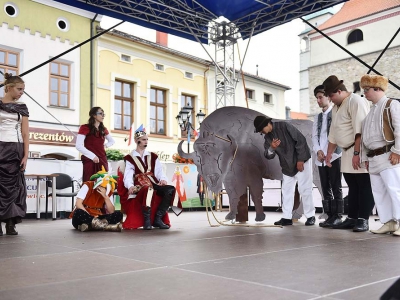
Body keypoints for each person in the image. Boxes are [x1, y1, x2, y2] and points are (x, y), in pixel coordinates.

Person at [323, 75, 375, 232]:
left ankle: (363, 219)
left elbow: (360, 129)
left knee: (364, 185)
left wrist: (357, 153)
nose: (330, 99)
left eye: (331, 96)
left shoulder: (356, 101)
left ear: (339, 91)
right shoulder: (335, 108)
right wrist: (329, 154)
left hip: (358, 149)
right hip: (345, 152)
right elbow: (333, 133)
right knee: (352, 186)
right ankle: (352, 218)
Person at [254, 116, 315, 226]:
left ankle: (310, 216)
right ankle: (286, 217)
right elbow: (268, 155)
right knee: (286, 191)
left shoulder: (285, 126)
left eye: (261, 129)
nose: (262, 132)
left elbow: (301, 140)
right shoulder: (267, 139)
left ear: (267, 124)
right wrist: (272, 148)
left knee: (305, 189)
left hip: (301, 161)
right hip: (287, 166)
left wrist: (300, 160)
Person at [360, 74, 400, 236]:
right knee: (379, 191)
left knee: (395, 189)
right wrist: (364, 157)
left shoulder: (392, 104)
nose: (365, 93)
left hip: (389, 155)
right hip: (374, 157)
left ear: (377, 89)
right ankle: (389, 222)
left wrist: (397, 151)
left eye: (367, 90)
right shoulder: (370, 112)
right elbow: (365, 138)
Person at [119, 127, 182, 230]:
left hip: (154, 182)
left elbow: (159, 171)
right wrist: (130, 186)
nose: (146, 141)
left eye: (147, 139)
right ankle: (147, 221)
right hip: (140, 184)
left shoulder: (153, 156)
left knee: (170, 190)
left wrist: (163, 179)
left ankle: (158, 218)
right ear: (136, 141)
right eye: (143, 139)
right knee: (149, 189)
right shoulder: (129, 158)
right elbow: (128, 175)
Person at [0, 73, 29, 236]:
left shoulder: (22, 107)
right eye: (19, 89)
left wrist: (25, 155)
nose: (21, 92)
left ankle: (11, 224)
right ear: (9, 88)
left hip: (15, 148)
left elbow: (25, 133)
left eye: (23, 90)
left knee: (13, 187)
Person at [312, 85, 343, 228]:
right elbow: (315, 136)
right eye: (317, 98)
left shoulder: (336, 112)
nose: (318, 100)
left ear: (328, 97)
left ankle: (338, 216)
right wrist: (318, 151)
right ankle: (330, 215)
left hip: (335, 156)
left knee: (336, 186)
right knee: (325, 187)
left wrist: (328, 152)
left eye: (320, 97)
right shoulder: (317, 117)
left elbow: (337, 135)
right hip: (320, 158)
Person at [70, 166, 123, 232]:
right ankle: (106, 227)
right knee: (78, 212)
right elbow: (78, 204)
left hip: (97, 216)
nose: (101, 187)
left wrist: (106, 197)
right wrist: (90, 217)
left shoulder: (108, 191)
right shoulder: (88, 185)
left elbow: (111, 211)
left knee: (118, 214)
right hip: (85, 215)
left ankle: (90, 226)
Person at [76, 107, 115, 182]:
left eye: (103, 114)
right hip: (90, 159)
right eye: (100, 113)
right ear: (94, 115)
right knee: (90, 182)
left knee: (103, 182)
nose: (103, 116)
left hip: (102, 159)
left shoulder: (103, 129)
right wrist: (92, 156)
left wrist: (105, 145)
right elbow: (78, 146)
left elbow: (112, 141)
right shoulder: (85, 127)